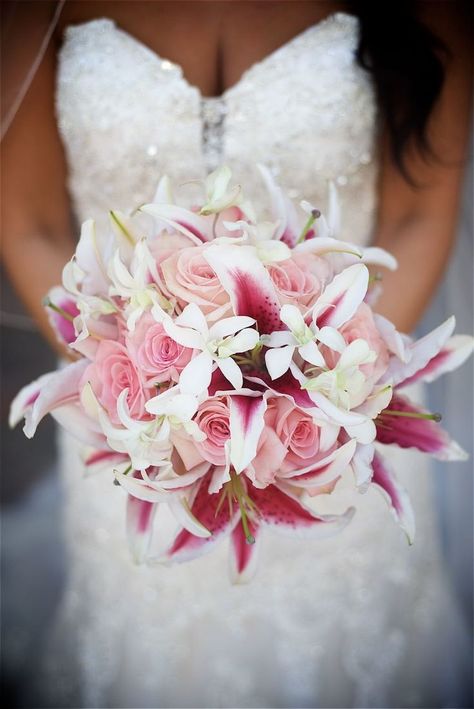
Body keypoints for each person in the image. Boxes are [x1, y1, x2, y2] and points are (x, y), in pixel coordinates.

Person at [1, 1, 472, 706]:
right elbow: (30, 222)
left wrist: (322, 402)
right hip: (132, 429)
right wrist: (141, 400)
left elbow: (418, 214)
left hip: (342, 424)